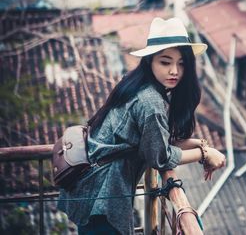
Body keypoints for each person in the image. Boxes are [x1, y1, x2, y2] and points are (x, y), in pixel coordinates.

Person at [58, 17, 226, 235]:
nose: (174, 70)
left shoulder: (141, 85)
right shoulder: (151, 102)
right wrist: (203, 154)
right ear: (150, 62)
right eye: (165, 62)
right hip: (102, 194)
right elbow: (160, 157)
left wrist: (201, 146)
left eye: (181, 63)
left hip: (94, 188)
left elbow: (154, 141)